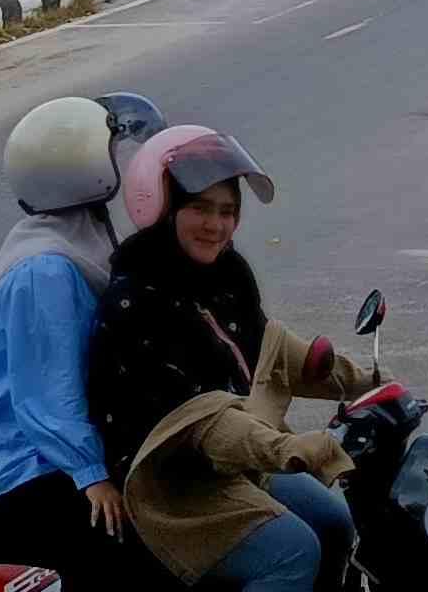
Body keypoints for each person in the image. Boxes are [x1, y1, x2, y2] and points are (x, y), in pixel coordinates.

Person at [90, 126, 379, 592]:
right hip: (171, 477)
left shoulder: (227, 273)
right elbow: (203, 422)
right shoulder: (138, 300)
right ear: (165, 210)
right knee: (292, 550)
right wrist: (285, 448)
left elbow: (266, 350)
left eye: (227, 212)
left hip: (231, 458)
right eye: (199, 208)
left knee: (337, 521)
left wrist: (366, 384)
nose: (215, 225)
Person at [0, 92, 168, 587]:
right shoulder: (46, 269)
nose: (129, 165)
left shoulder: (82, 234)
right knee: (149, 555)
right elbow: (47, 393)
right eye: (116, 154)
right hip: (21, 471)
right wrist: (91, 475)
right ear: (83, 170)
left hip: (56, 455)